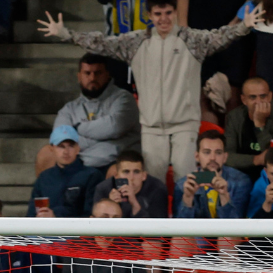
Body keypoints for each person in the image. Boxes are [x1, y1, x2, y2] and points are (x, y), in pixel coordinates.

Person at [39, 0, 259, 182]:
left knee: (187, 181)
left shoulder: (192, 40)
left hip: (185, 125)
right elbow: (101, 43)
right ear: (150, 15)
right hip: (152, 127)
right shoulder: (136, 42)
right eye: (158, 13)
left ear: (174, 13)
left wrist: (243, 26)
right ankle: (159, 236)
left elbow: (220, 37)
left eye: (168, 13)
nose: (163, 18)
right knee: (153, 184)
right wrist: (66, 34)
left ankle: (187, 235)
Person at [42, 53, 140, 174]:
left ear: (107, 75)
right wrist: (103, 136)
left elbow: (115, 127)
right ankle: (47, 193)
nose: (92, 78)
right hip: (79, 161)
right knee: (46, 153)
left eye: (98, 73)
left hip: (111, 161)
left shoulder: (124, 99)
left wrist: (77, 128)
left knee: (118, 171)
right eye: (87, 73)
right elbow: (60, 137)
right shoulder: (70, 108)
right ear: (79, 76)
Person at [224, 76, 273, 180]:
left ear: (270, 97)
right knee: (208, 174)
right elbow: (226, 157)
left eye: (263, 96)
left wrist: (260, 125)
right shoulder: (234, 117)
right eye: (252, 97)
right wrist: (256, 160)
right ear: (244, 99)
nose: (258, 102)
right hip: (242, 172)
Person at [175, 129, 252, 219]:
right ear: (197, 156)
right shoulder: (182, 185)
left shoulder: (241, 182)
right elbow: (179, 230)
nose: (213, 158)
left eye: (218, 153)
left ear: (225, 157)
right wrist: (188, 198)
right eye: (207, 152)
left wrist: (224, 196)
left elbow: (237, 229)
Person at [27, 126, 102, 219]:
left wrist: (56, 217)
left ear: (78, 148)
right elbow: (31, 215)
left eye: (71, 146)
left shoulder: (92, 175)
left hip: (79, 232)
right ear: (52, 149)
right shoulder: (44, 178)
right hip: (46, 231)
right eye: (61, 146)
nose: (66, 151)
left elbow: (91, 214)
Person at [90, 150, 168, 219]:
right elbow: (96, 224)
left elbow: (158, 230)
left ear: (144, 176)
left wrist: (134, 204)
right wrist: (111, 204)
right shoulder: (103, 188)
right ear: (116, 176)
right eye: (126, 172)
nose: (131, 177)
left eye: (136, 172)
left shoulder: (157, 189)